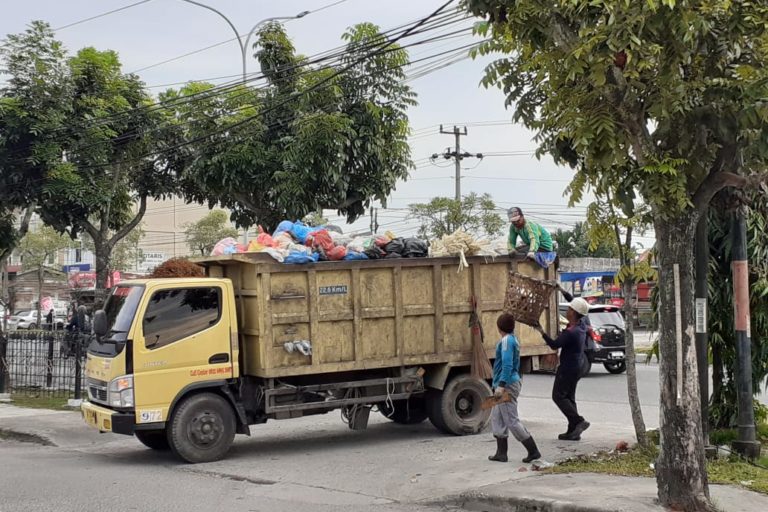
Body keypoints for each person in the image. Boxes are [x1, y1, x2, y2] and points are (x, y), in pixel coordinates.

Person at [533, 295, 591, 441]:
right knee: (569, 397)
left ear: (573, 312)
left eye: (570, 308)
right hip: (578, 366)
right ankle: (573, 431)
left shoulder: (571, 333)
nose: (568, 310)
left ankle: (578, 421)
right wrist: (562, 290)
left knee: (558, 396)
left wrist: (541, 330)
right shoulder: (581, 324)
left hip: (567, 368)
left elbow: (554, 344)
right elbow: (579, 305)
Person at [488, 313, 541, 463]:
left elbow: (507, 365)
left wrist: (501, 386)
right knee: (497, 417)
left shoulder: (506, 341)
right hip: (508, 383)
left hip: (506, 385)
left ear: (499, 327)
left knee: (511, 420)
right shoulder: (513, 339)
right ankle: (501, 453)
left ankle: (533, 450)